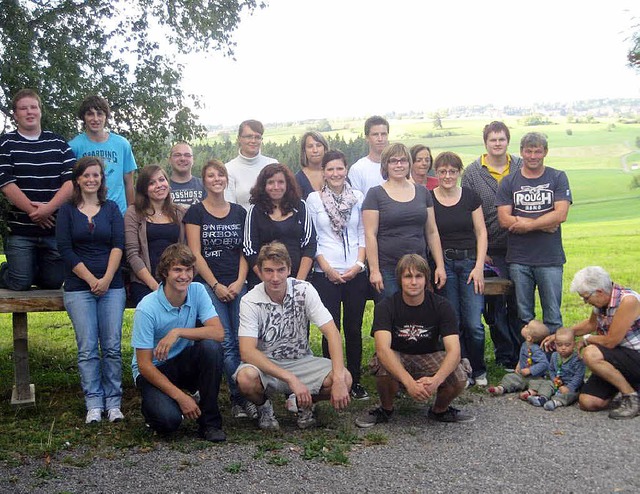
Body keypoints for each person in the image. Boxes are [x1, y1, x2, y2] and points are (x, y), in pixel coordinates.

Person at [234, 242, 352, 430]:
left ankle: (304, 403)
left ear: (289, 269)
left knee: (345, 378)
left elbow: (333, 333)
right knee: (245, 378)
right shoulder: (250, 300)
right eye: (269, 271)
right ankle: (264, 407)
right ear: (260, 272)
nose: (275, 277)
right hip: (266, 363)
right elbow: (247, 351)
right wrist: (290, 379)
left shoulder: (304, 290)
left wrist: (337, 378)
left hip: (301, 360)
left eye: (280, 270)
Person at [355, 254, 474, 428]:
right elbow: (382, 349)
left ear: (426, 279)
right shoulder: (385, 306)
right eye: (408, 276)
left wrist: (436, 381)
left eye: (419, 276)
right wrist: (410, 384)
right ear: (399, 280)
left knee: (460, 375)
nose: (413, 282)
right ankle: (386, 409)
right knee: (382, 363)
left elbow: (454, 351)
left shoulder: (442, 306)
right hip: (398, 355)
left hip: (429, 355)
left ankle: (439, 410)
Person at [183, 159, 256, 420]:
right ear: (204, 181)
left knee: (244, 339)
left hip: (238, 284)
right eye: (211, 175)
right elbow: (195, 254)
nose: (216, 179)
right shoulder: (195, 213)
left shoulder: (239, 212)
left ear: (226, 180)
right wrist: (215, 285)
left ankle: (250, 395)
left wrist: (238, 282)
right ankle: (237, 399)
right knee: (225, 341)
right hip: (209, 286)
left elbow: (245, 251)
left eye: (220, 175)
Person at [56, 156, 126, 424]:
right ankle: (94, 404)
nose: (91, 179)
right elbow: (65, 249)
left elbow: (118, 245)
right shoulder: (66, 211)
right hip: (78, 287)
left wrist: (106, 278)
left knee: (111, 346)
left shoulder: (111, 209)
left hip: (112, 286)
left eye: (96, 175)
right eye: (86, 175)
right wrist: (90, 280)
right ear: (77, 180)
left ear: (101, 179)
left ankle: (114, 403)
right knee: (87, 348)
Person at [131, 243, 226, 442]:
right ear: (165, 272)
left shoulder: (198, 290)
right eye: (177, 270)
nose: (184, 276)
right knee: (168, 422)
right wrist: (181, 397)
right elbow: (144, 365)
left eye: (188, 269)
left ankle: (210, 423)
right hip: (154, 370)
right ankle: (155, 407)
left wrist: (178, 332)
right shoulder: (146, 308)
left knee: (211, 348)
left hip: (181, 362)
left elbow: (218, 333)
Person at [307, 150, 369, 400]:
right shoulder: (313, 199)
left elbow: (364, 232)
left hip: (355, 271)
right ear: (323, 172)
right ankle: (331, 378)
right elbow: (313, 238)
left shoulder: (358, 197)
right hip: (326, 272)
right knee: (330, 328)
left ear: (346, 170)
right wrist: (327, 268)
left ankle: (354, 380)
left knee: (353, 328)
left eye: (339, 169)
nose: (335, 174)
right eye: (330, 169)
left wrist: (359, 264)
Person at [462, 121, 523, 370]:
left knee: (519, 304)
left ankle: (522, 352)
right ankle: (504, 354)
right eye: (493, 140)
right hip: (489, 250)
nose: (497, 144)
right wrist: (481, 251)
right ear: (485, 143)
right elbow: (465, 212)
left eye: (501, 139)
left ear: (508, 141)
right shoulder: (473, 172)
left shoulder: (520, 166)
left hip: (521, 247)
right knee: (495, 306)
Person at [496, 132, 572, 334]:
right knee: (524, 317)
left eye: (537, 151)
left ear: (545, 152)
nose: (532, 156)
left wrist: (527, 225)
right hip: (519, 259)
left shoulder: (557, 177)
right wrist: (543, 223)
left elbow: (561, 214)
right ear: (521, 152)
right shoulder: (509, 182)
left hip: (550, 259)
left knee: (553, 316)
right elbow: (504, 219)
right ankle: (529, 361)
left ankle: (554, 362)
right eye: (528, 151)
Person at [0, 89, 75, 291]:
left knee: (52, 283)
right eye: (23, 108)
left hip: (53, 229)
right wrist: (35, 213)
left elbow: (71, 181)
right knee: (20, 283)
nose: (29, 112)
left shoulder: (58, 143)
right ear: (15, 115)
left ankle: (27, 268)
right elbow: (6, 184)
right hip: (19, 229)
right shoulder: (5, 144)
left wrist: (48, 209)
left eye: (33, 107)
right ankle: (7, 270)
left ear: (40, 111)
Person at [542, 266, 640, 419]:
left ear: (599, 292)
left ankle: (631, 398)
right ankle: (629, 385)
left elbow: (610, 341)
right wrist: (562, 335)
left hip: (635, 358)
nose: (585, 302)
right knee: (588, 402)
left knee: (591, 353)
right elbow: (591, 325)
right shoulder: (602, 302)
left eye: (586, 297)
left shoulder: (628, 301)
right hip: (617, 359)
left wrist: (587, 340)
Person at [431, 152, 488, 387]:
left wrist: (479, 267)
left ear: (459, 172)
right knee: (452, 321)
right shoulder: (429, 198)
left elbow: (481, 232)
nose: (447, 176)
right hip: (445, 264)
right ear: (437, 173)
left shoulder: (470, 197)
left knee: (474, 322)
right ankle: (460, 367)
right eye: (443, 171)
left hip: (470, 264)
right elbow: (431, 234)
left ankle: (479, 368)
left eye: (452, 171)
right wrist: (440, 267)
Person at [362, 143, 445, 299]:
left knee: (419, 316)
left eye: (403, 160)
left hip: (419, 268)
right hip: (388, 269)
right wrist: (374, 270)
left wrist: (440, 266)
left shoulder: (423, 192)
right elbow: (370, 235)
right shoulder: (375, 194)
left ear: (409, 164)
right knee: (390, 316)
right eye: (393, 161)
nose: (399, 165)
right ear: (385, 165)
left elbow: (432, 232)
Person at [243, 163, 316, 289]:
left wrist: (298, 283)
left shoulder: (301, 207)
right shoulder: (255, 211)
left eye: (281, 182)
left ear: (288, 184)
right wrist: (271, 281)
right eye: (271, 182)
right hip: (263, 284)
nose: (276, 187)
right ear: (263, 185)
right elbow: (249, 250)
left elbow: (309, 244)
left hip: (298, 282)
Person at [124, 165, 186, 305]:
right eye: (152, 183)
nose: (159, 185)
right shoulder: (133, 213)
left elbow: (186, 250)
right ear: (143, 189)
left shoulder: (180, 213)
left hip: (177, 283)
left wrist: (176, 283)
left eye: (161, 180)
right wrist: (155, 287)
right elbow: (132, 255)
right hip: (145, 284)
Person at [69, 95, 137, 215]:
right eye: (90, 114)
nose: (95, 119)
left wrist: (132, 214)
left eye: (100, 114)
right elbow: (71, 184)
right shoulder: (74, 146)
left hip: (118, 213)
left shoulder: (122, 144)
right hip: (85, 213)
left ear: (106, 117)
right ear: (83, 117)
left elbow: (129, 182)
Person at [526, 326, 585, 410]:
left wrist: (569, 387)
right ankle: (542, 398)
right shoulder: (554, 356)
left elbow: (579, 376)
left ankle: (556, 402)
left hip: (572, 386)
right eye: (559, 345)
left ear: (574, 344)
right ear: (555, 344)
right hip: (557, 382)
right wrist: (554, 380)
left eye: (567, 345)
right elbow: (551, 369)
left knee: (571, 394)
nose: (563, 348)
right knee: (547, 384)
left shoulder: (577, 358)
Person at [487, 320, 550, 398]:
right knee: (509, 377)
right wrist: (519, 365)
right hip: (522, 375)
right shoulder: (525, 344)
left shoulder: (536, 350)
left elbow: (544, 364)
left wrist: (530, 370)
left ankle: (529, 393)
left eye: (527, 327)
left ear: (529, 337)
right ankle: (501, 388)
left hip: (535, 377)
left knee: (538, 384)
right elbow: (523, 357)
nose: (524, 326)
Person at [224, 119, 277, 210]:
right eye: (249, 136)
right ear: (239, 139)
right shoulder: (229, 169)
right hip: (242, 222)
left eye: (257, 137)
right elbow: (229, 207)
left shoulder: (273, 165)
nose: (253, 140)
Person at [348, 115, 389, 196]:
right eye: (375, 134)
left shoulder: (398, 167)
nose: (380, 139)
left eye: (383, 134)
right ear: (367, 137)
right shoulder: (357, 169)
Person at [168, 141, 205, 207]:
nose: (182, 158)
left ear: (193, 160)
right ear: (170, 160)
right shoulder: (162, 188)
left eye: (187, 155)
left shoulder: (205, 186)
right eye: (177, 155)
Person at [295, 131, 329, 199]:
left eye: (318, 145)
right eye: (310, 146)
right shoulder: (297, 180)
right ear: (304, 151)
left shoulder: (337, 174)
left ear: (325, 148)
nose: (315, 150)